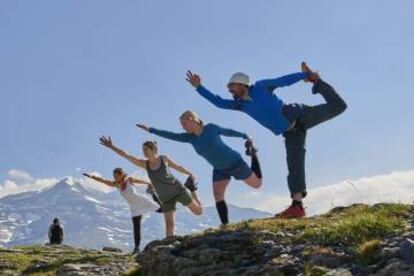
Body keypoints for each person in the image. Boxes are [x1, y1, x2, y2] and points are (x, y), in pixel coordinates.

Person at [185, 62, 347, 218]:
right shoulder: (241, 105)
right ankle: (297, 207)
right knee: (294, 165)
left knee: (339, 106)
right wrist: (199, 87)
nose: (230, 92)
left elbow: (283, 81)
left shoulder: (261, 87)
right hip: (291, 133)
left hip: (300, 115)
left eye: (232, 89)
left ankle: (316, 82)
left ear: (242, 84)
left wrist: (306, 74)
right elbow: (218, 102)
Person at [136, 110, 263, 225]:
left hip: (235, 163)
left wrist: (244, 135)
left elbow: (228, 131)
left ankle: (253, 155)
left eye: (184, 124)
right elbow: (171, 135)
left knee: (257, 184)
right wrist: (151, 130)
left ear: (192, 119)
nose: (183, 127)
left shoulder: (211, 128)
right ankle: (225, 225)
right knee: (218, 194)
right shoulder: (190, 138)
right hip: (219, 169)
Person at [98, 136, 203, 238]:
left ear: (153, 149)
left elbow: (177, 167)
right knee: (169, 226)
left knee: (198, 212)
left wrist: (189, 173)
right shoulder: (144, 164)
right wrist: (112, 147)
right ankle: (168, 249)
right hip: (166, 198)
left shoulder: (163, 159)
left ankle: (192, 190)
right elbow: (126, 155)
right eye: (143, 149)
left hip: (178, 190)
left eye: (146, 149)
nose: (144, 151)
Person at [83, 168, 159, 254]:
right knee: (136, 227)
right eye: (113, 176)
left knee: (160, 210)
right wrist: (92, 177)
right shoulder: (116, 184)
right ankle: (136, 248)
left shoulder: (129, 180)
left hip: (140, 200)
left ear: (121, 174)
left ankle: (152, 193)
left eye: (116, 175)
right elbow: (103, 181)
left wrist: (149, 183)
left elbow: (140, 181)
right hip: (134, 207)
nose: (114, 177)